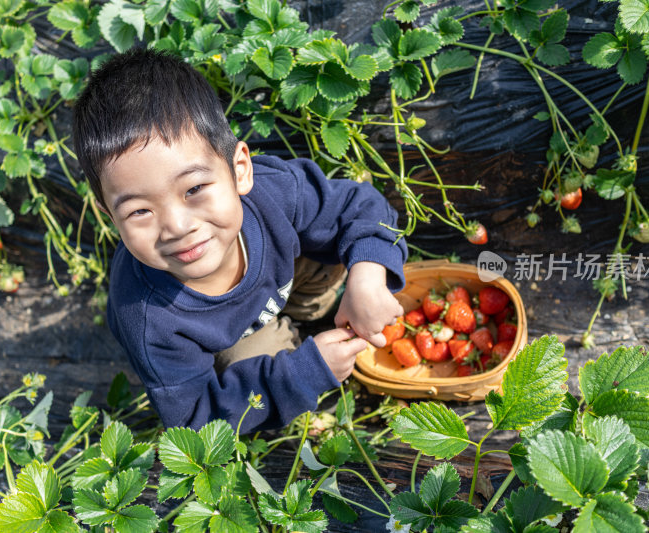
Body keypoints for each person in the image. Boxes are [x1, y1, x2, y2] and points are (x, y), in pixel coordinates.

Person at [72, 47, 407, 433]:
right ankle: (282, 347)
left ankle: (310, 311)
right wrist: (302, 375)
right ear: (109, 215)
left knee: (338, 245)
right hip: (231, 342)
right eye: (139, 212)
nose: (178, 226)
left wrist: (367, 277)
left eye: (194, 188)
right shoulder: (149, 318)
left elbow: (359, 205)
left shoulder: (272, 192)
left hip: (286, 278)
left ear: (240, 170)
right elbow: (195, 419)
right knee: (248, 374)